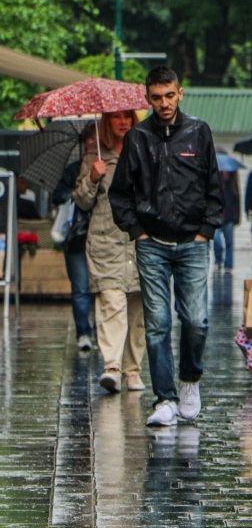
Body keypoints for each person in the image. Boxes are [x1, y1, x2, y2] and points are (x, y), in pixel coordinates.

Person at [109, 66, 223, 428]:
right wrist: (137, 231)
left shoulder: (198, 132)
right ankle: (164, 398)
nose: (164, 103)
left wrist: (206, 230)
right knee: (157, 323)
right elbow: (120, 192)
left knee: (196, 321)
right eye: (156, 97)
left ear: (180, 92)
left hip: (192, 241)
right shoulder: (138, 137)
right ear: (148, 98)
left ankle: (189, 380)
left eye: (169, 95)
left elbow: (215, 188)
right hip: (152, 243)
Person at [73, 111, 146, 394]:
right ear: (106, 122)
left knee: (138, 310)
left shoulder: (145, 152)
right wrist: (92, 178)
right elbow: (82, 201)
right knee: (111, 303)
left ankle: (133, 370)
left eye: (127, 116)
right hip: (106, 242)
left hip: (138, 241)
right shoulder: (95, 156)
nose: (122, 121)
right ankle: (112, 367)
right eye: (116, 117)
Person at [53, 124, 97, 351]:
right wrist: (74, 193)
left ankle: (103, 333)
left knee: (102, 288)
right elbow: (56, 195)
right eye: (90, 140)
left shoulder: (108, 166)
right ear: (83, 143)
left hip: (101, 237)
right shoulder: (73, 170)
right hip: (77, 236)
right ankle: (83, 333)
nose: (94, 144)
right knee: (80, 287)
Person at [214, 168, 240, 271]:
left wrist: (237, 218)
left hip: (229, 218)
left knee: (229, 243)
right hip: (217, 217)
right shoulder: (217, 184)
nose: (226, 172)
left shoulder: (233, 185)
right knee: (217, 240)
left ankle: (228, 265)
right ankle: (218, 260)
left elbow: (237, 202)